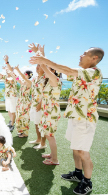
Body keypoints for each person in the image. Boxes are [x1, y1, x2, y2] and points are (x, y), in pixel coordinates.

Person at [29, 47, 104, 195]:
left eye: (84, 54)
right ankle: (77, 173)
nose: (80, 55)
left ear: (94, 58)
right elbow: (57, 71)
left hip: (85, 119)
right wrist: (42, 57)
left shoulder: (94, 72)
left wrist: (44, 59)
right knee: (75, 148)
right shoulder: (81, 74)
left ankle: (87, 182)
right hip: (75, 117)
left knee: (83, 152)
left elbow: (66, 70)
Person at [38, 63, 62, 165]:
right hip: (47, 111)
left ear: (54, 71)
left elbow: (44, 66)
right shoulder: (49, 81)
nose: (45, 70)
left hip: (51, 112)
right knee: (49, 135)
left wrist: (40, 55)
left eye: (48, 69)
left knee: (50, 136)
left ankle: (55, 160)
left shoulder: (55, 80)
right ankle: (52, 155)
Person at [5, 59, 33, 138]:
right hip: (20, 101)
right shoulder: (22, 82)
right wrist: (11, 72)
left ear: (28, 75)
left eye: (25, 74)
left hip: (25, 102)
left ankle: (25, 133)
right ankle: (21, 131)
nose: (23, 75)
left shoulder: (29, 82)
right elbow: (16, 78)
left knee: (25, 117)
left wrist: (18, 70)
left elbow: (22, 77)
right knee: (19, 116)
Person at [28, 44, 47, 149]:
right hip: (34, 104)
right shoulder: (35, 78)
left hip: (42, 104)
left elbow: (44, 62)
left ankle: (43, 144)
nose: (37, 67)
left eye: (39, 65)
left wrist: (39, 52)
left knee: (41, 123)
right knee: (36, 122)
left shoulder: (45, 77)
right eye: (37, 65)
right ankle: (38, 139)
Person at [0, 57, 18, 132]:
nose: (8, 70)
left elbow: (11, 71)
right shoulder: (5, 77)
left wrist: (7, 62)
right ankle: (11, 122)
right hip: (7, 96)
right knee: (8, 110)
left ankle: (12, 125)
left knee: (13, 111)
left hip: (13, 96)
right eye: (7, 69)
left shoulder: (15, 77)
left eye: (10, 69)